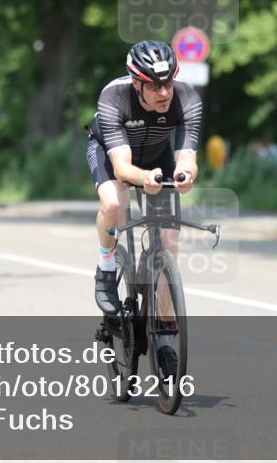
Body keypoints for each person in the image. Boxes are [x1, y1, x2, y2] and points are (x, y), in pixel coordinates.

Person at [86, 40, 202, 377]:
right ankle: (107, 268)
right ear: (136, 83)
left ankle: (164, 338)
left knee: (170, 242)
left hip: (157, 156)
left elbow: (188, 158)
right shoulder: (114, 97)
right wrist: (143, 177)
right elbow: (122, 169)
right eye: (154, 85)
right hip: (111, 154)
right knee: (114, 201)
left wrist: (185, 176)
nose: (164, 92)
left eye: (168, 83)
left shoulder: (188, 98)